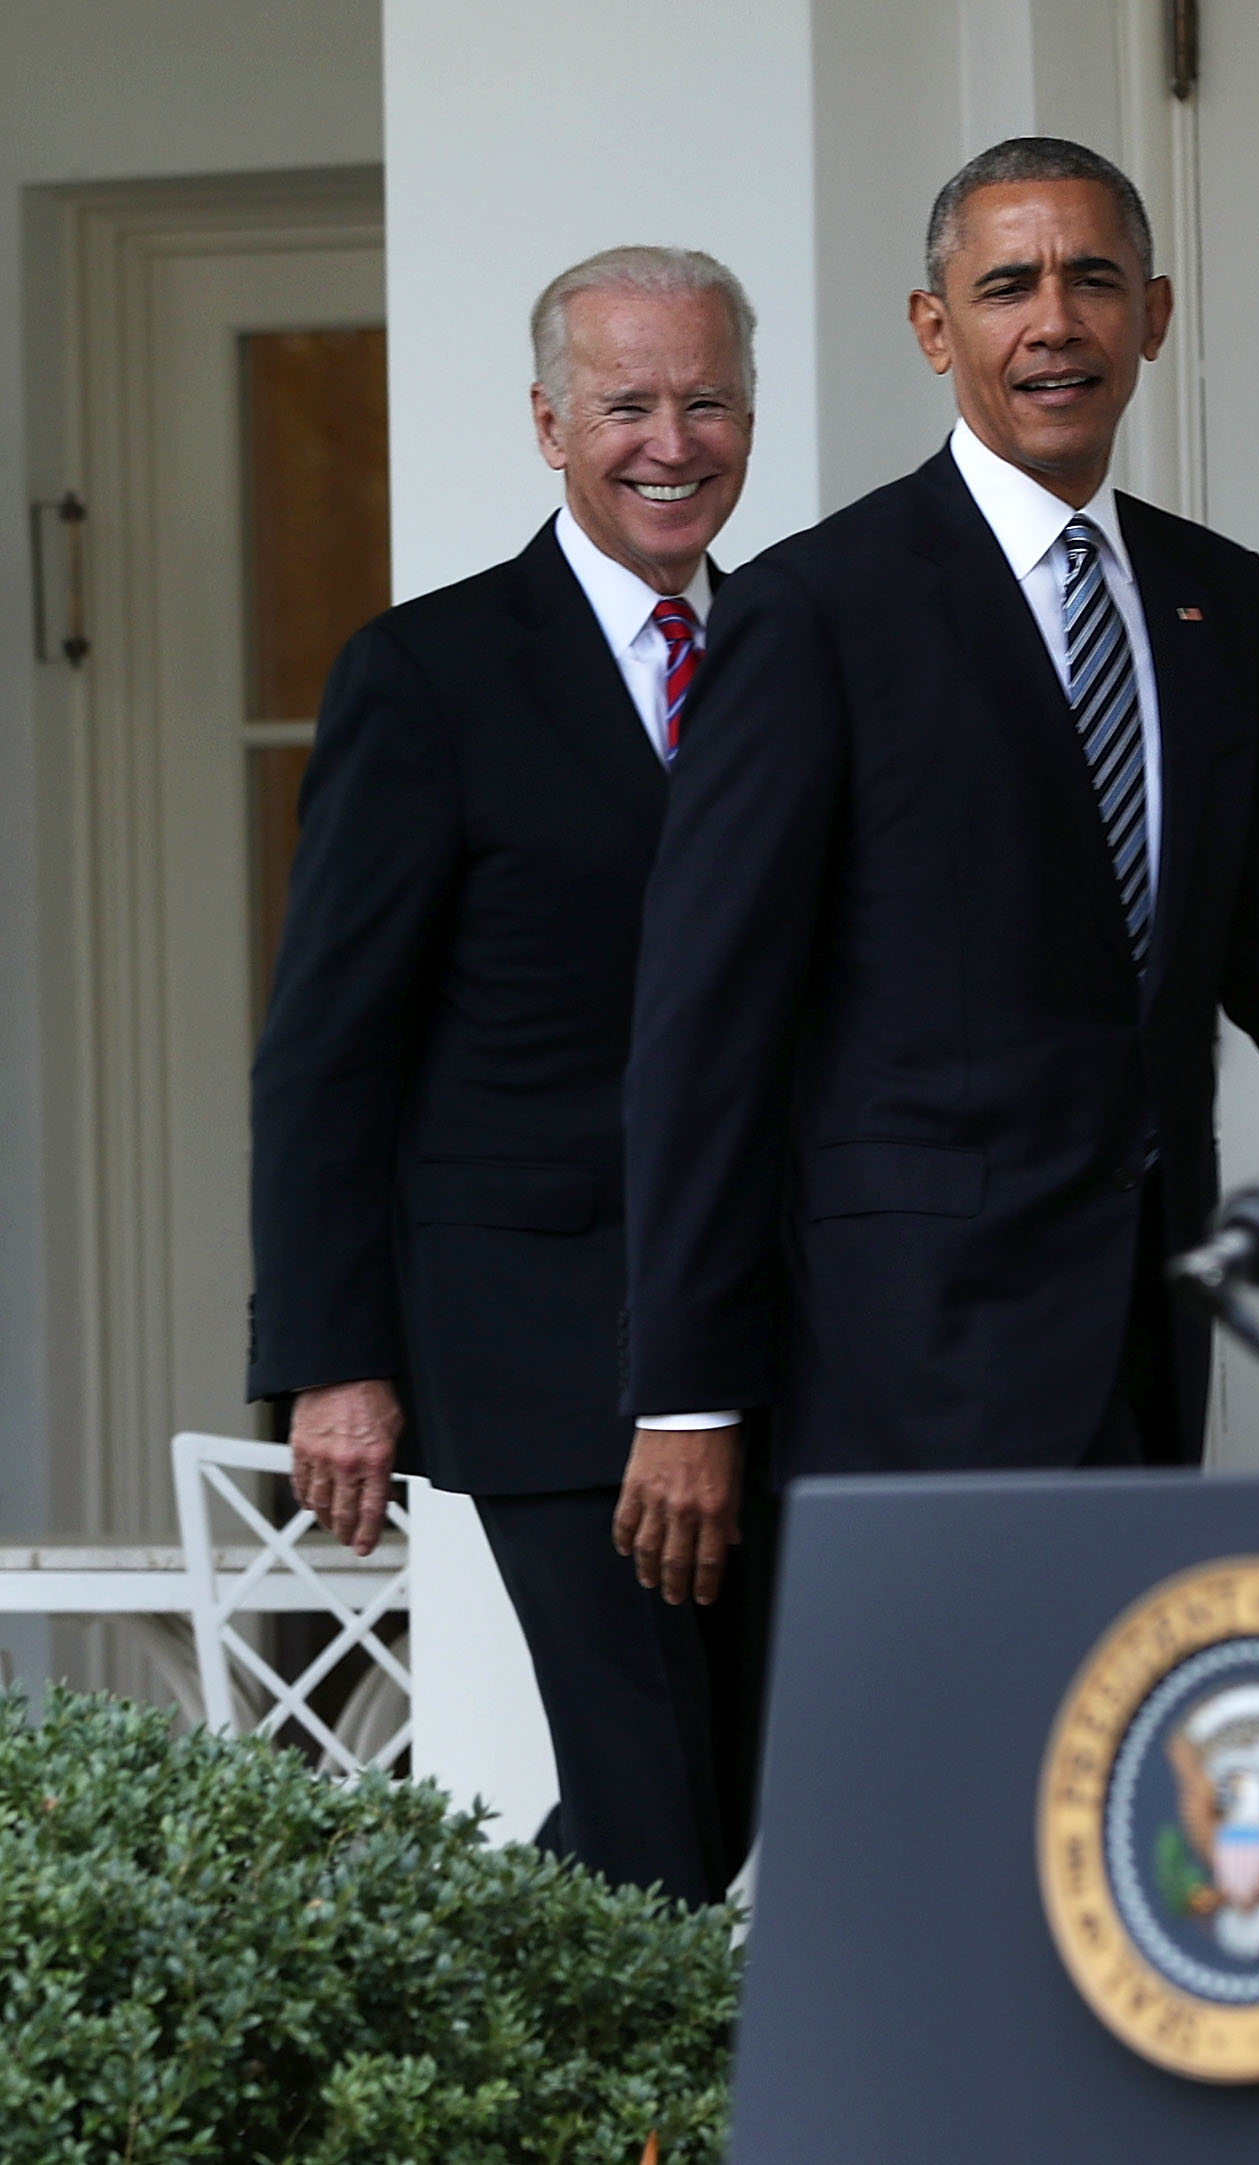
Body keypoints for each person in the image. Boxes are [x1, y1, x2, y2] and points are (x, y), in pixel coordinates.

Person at [619, 138, 1259, 1487]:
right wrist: (689, 1385)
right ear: (935, 328)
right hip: (908, 1346)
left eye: (1096, 281)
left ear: (1156, 315)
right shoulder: (817, 609)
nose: (1056, 322)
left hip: (1154, 1317)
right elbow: (706, 1018)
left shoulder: (1217, 600)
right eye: (1009, 285)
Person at [249, 247, 770, 1908]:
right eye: (626, 404)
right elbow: (330, 1046)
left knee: (710, 1798)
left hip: (765, 1330)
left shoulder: (794, 649)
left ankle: (472, 2033)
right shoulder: (430, 673)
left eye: (705, 402)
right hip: (543, 1343)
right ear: (549, 423)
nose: (668, 442)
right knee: (655, 1801)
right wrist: (335, 1358)